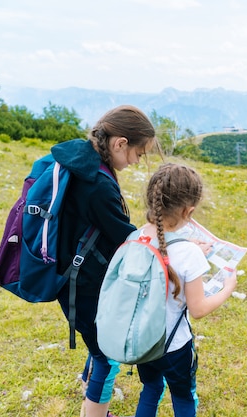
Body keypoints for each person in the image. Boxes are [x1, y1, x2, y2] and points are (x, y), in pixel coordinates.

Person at [53, 105, 157, 417]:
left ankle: (89, 388)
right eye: (138, 153)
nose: (138, 161)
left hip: (72, 274)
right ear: (120, 143)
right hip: (83, 284)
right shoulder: (98, 184)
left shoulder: (83, 160)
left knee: (97, 344)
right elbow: (126, 239)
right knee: (107, 355)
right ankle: (94, 412)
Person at [133, 163, 237, 417]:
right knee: (183, 396)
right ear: (188, 211)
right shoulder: (188, 253)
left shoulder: (134, 237)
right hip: (174, 346)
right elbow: (198, 309)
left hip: (142, 341)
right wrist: (227, 289)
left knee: (151, 387)